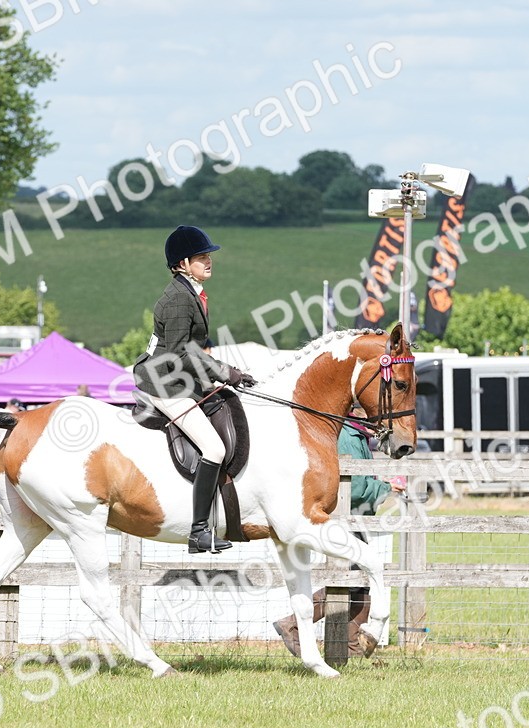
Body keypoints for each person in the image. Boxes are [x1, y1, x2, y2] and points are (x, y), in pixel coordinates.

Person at [132, 225, 255, 554]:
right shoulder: (177, 300)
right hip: (164, 384)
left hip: (179, 378)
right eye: (202, 256)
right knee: (213, 449)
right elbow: (179, 353)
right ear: (182, 263)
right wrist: (225, 372)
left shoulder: (191, 293)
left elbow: (196, 344)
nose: (208, 260)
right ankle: (199, 531)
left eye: (208, 255)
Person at [272, 410, 406, 658]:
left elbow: (358, 478)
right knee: (352, 580)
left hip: (349, 517)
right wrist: (385, 488)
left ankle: (351, 652)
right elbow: (352, 487)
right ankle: (291, 625)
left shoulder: (356, 432)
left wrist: (380, 484)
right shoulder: (346, 434)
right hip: (341, 518)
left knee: (359, 585)